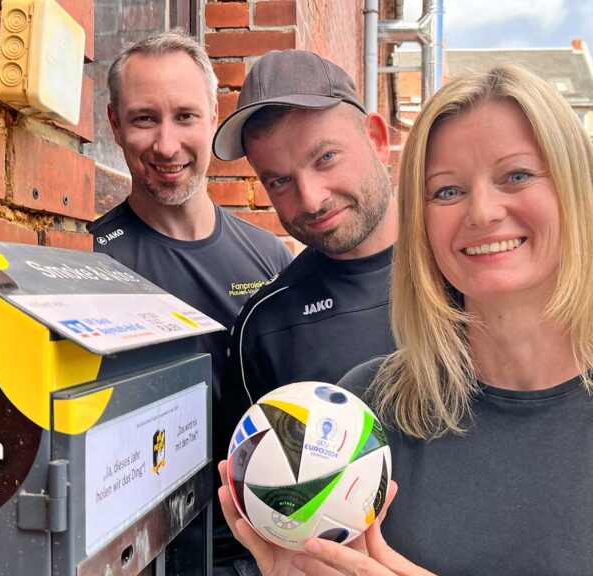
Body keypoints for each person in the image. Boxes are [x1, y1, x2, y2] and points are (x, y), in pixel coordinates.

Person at [218, 64, 593, 575]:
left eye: (516, 176)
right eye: (447, 190)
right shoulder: (361, 414)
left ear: (575, 190)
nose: (483, 212)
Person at [210, 50, 399, 575]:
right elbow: (246, 519)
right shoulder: (265, 326)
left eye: (325, 158)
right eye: (279, 181)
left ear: (378, 140)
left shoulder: (475, 277)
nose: (310, 198)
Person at [89, 29, 292, 403]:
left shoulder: (271, 258)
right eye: (144, 120)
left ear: (213, 117)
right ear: (115, 125)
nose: (167, 146)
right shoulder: (90, 262)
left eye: (185, 116)